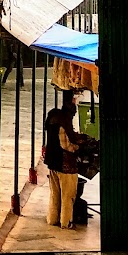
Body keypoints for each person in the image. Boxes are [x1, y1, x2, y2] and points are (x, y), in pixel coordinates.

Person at [44, 89, 80, 229]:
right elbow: (66, 146)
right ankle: (66, 222)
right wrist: (77, 147)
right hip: (64, 165)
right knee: (68, 195)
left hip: (52, 162)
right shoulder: (63, 124)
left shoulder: (53, 118)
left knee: (55, 194)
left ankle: (52, 219)